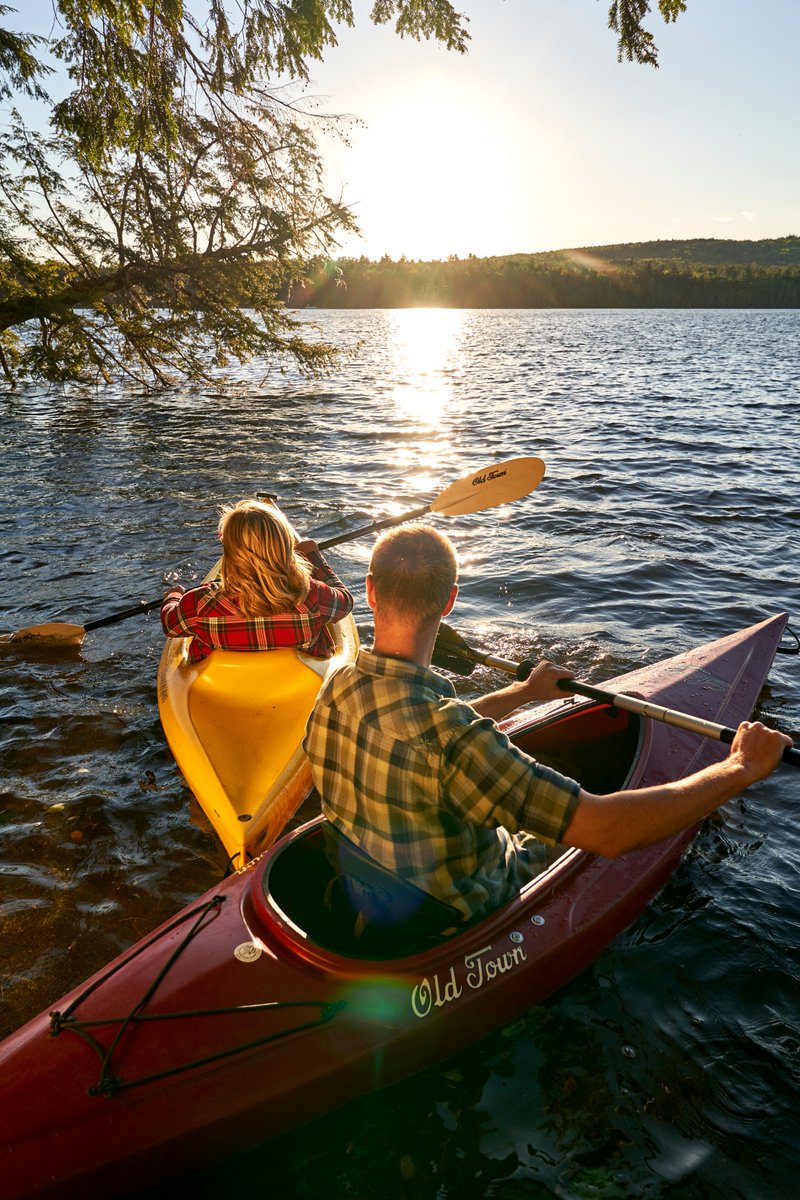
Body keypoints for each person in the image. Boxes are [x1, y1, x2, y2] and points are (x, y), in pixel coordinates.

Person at [303, 522, 790, 925]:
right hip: (458, 906)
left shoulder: (336, 685)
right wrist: (740, 768)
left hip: (370, 882)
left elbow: (420, 730)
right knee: (582, 810)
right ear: (449, 600)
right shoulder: (453, 737)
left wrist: (524, 694)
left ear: (369, 591)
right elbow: (607, 832)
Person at [161, 498, 354, 664]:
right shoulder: (313, 596)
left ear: (230, 553)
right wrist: (314, 558)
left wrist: (174, 596)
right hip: (297, 693)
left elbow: (170, 625)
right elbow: (345, 600)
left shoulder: (200, 603)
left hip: (222, 695)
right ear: (287, 549)